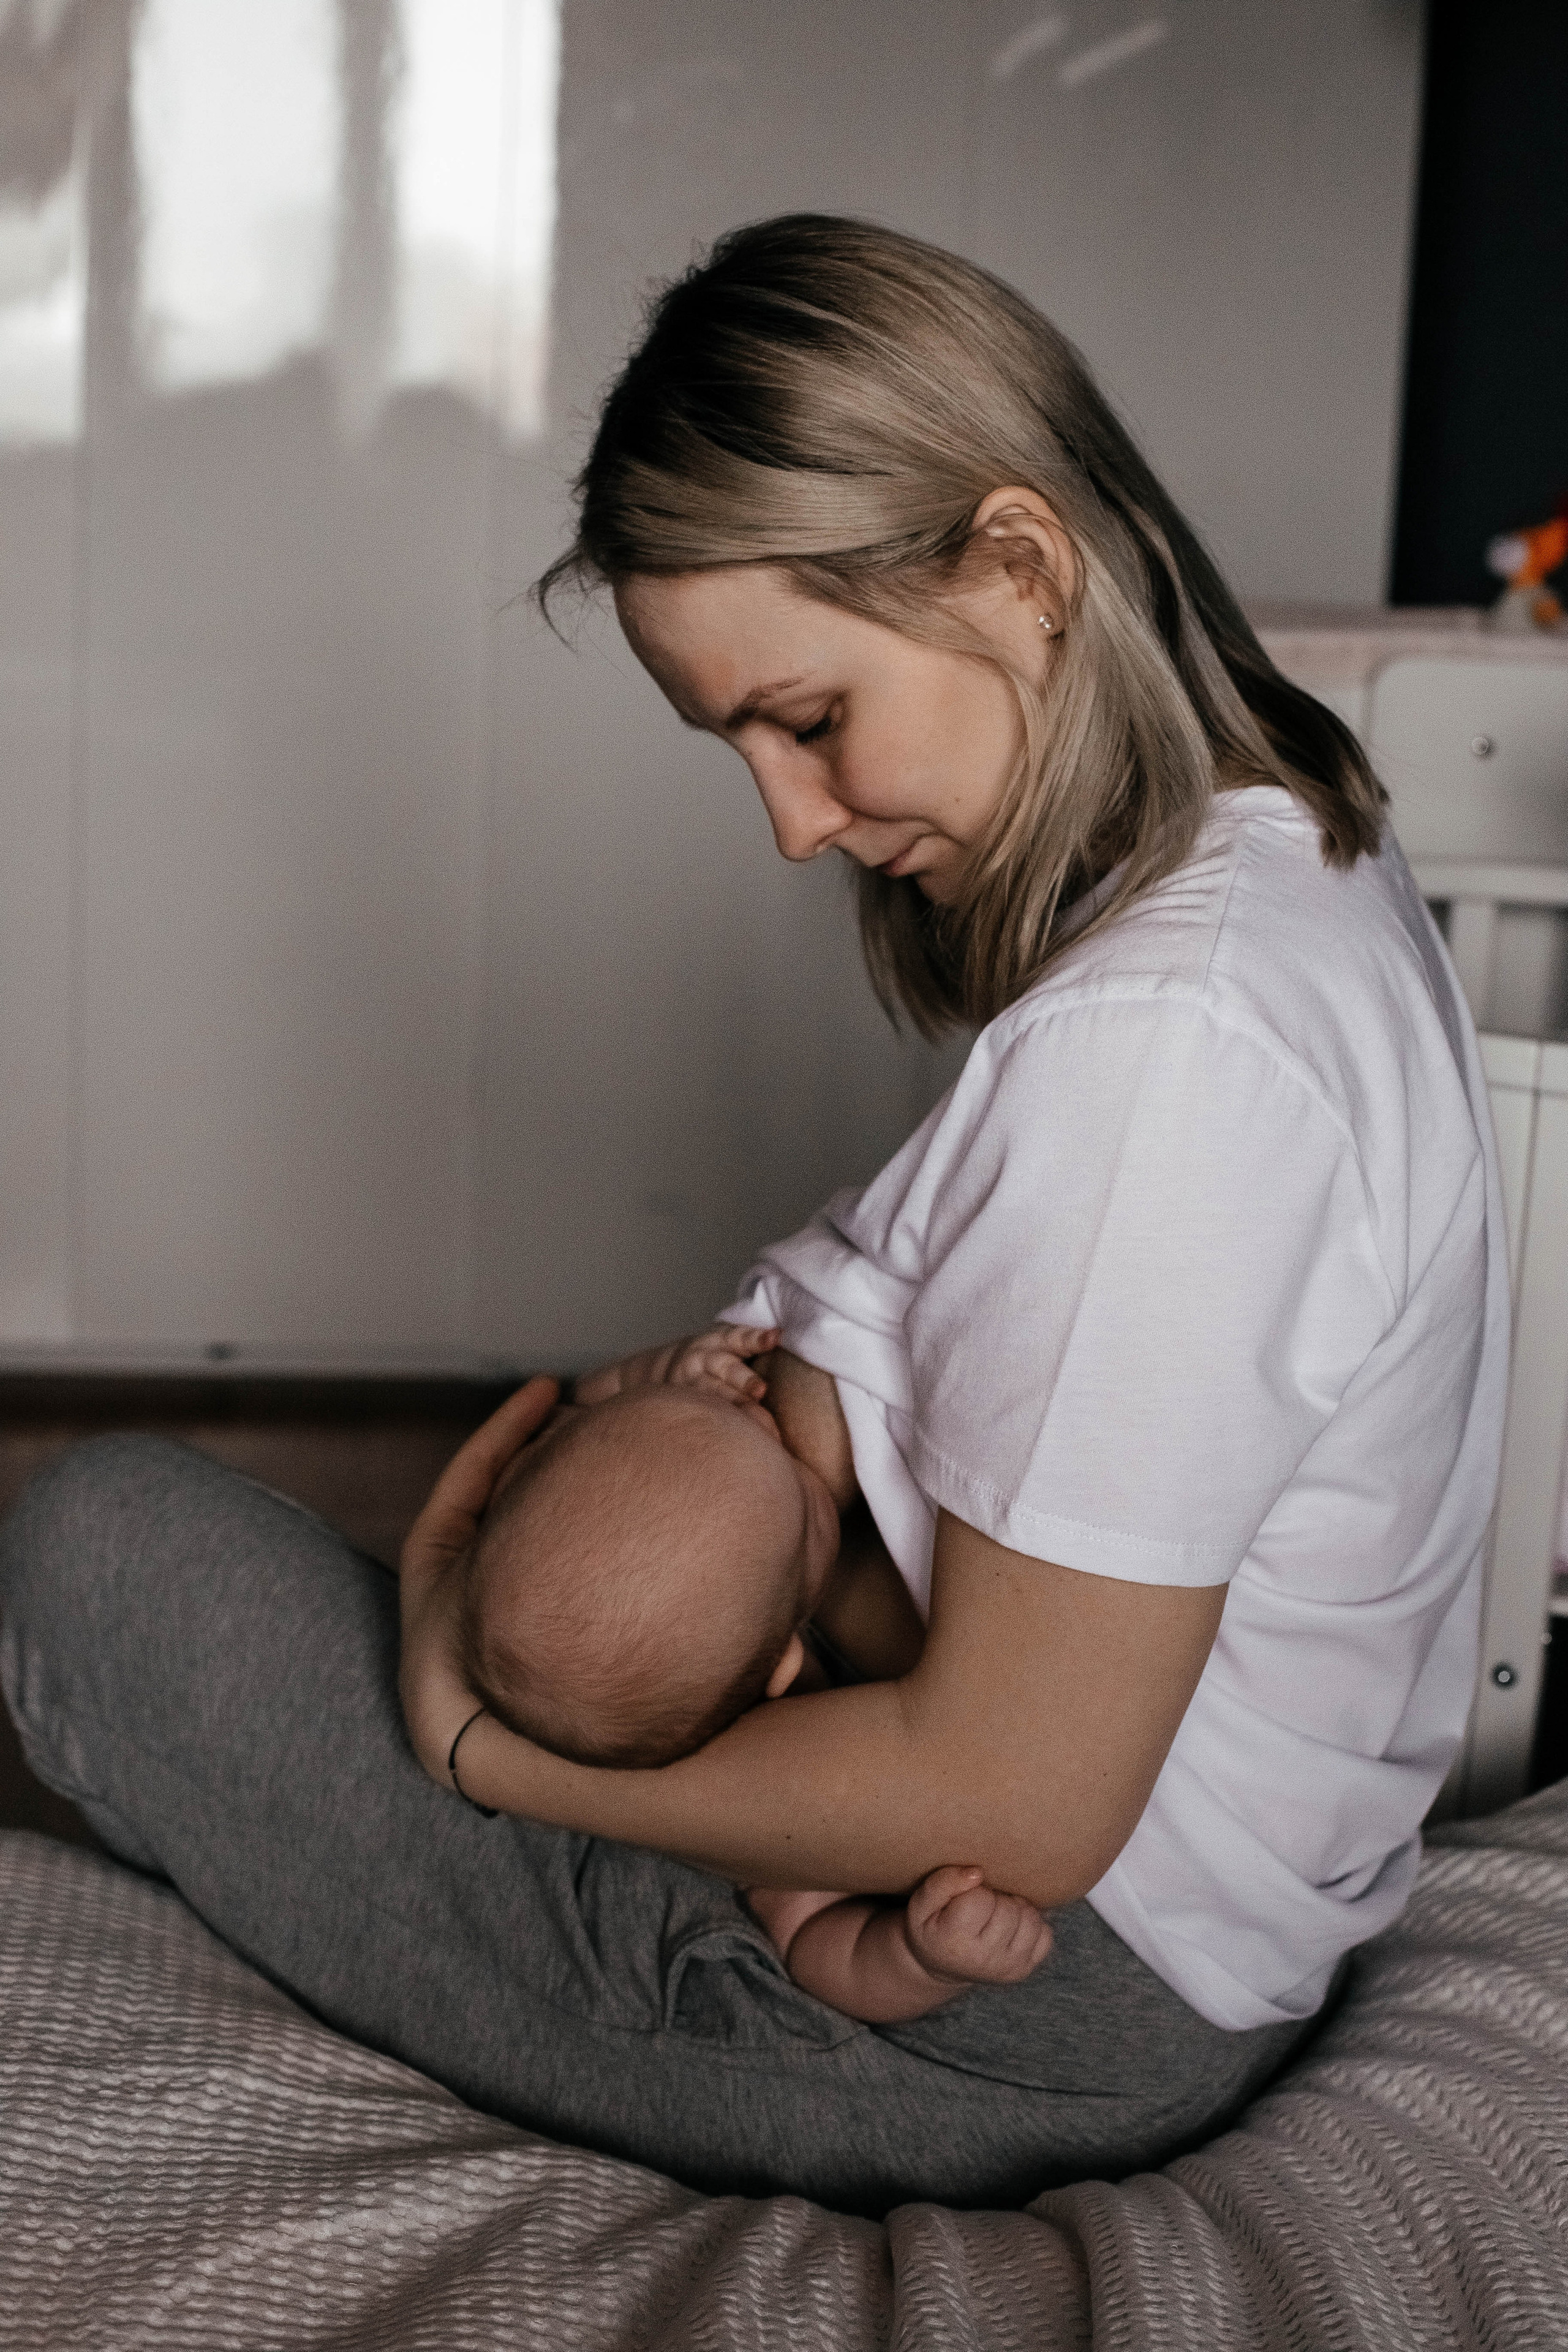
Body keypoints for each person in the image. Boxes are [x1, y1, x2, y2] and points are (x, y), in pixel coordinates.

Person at [0, 214, 1508, 2215]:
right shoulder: (1289, 848)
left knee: (105, 1567)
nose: (793, 824)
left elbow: (1018, 1806)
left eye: (805, 720)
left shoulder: (1173, 1060)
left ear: (1020, 565)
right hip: (1124, 1918)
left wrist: (486, 1752)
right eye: (743, 749)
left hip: (1015, 2014)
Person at [457, 1373, 1054, 2021]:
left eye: (738, 1414)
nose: (764, 1420)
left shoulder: (707, 1618)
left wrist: (687, 1376)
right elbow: (811, 1942)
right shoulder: (770, 1777)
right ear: (782, 1665)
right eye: (800, 1496)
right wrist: (918, 1959)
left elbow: (605, 1424)